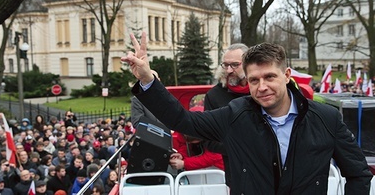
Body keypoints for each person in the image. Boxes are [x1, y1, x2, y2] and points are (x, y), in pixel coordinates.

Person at [121, 32, 372, 194]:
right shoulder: (235, 114)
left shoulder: (326, 118)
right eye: (254, 80)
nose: (262, 87)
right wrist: (147, 80)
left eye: (269, 77)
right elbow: (183, 120)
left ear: (286, 76)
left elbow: (358, 173)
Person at [204, 43, 250, 187]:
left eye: (235, 65)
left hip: (269, 171)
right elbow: (208, 141)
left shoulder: (262, 91)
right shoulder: (214, 95)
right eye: (225, 65)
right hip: (236, 174)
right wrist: (244, 146)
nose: (229, 70)